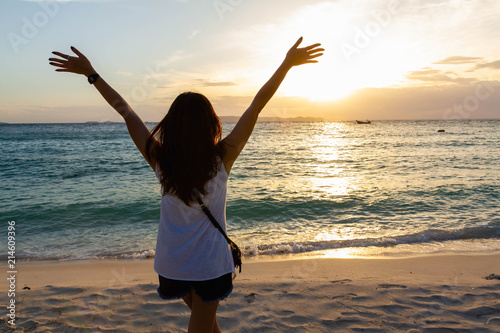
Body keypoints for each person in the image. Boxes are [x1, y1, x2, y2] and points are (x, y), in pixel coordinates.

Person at [49, 37, 323, 333]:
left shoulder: (160, 160)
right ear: (211, 125)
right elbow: (256, 106)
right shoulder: (223, 158)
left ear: (172, 124)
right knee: (203, 326)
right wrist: (286, 65)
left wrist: (92, 75)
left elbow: (125, 111)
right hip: (211, 267)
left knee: (205, 324)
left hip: (172, 266)